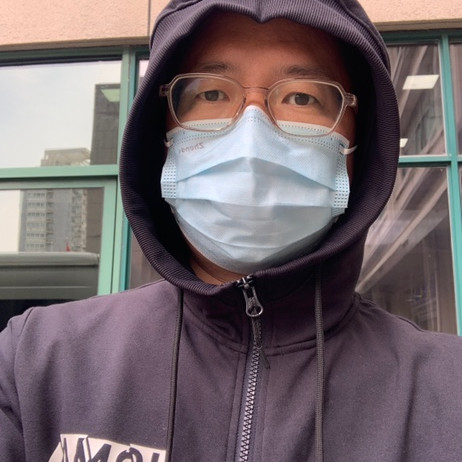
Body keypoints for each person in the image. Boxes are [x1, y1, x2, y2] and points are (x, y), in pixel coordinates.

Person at [1, 0, 462, 460]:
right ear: (161, 135)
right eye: (210, 94)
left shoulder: (446, 389)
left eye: (302, 97)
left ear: (359, 144)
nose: (251, 136)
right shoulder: (35, 363)